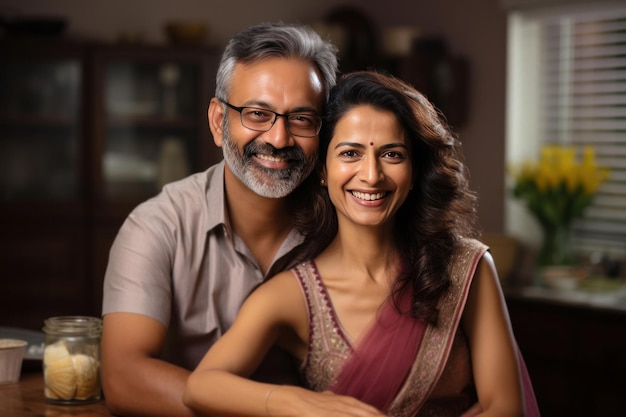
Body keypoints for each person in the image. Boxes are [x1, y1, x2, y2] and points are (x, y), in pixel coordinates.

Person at [183, 71, 541, 417]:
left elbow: (506, 407)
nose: (371, 175)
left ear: (414, 170)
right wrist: (300, 405)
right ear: (322, 169)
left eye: (392, 154)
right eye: (350, 154)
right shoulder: (292, 295)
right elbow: (201, 387)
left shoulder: (466, 268)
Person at [100, 22, 338, 417]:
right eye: (257, 114)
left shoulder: (346, 224)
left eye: (301, 119)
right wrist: (273, 408)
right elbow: (124, 378)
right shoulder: (157, 227)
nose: (279, 139)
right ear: (217, 121)